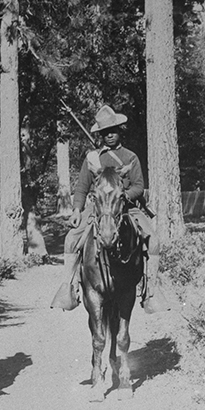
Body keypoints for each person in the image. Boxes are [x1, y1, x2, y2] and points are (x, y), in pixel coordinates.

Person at [52, 105, 157, 311]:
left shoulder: (130, 157)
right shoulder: (93, 158)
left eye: (112, 131)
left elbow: (138, 186)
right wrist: (76, 210)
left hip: (125, 207)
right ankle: (69, 288)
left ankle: (151, 290)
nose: (109, 135)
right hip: (97, 208)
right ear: (100, 135)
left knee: (153, 241)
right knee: (71, 239)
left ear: (119, 131)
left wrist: (122, 197)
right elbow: (82, 187)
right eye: (104, 132)